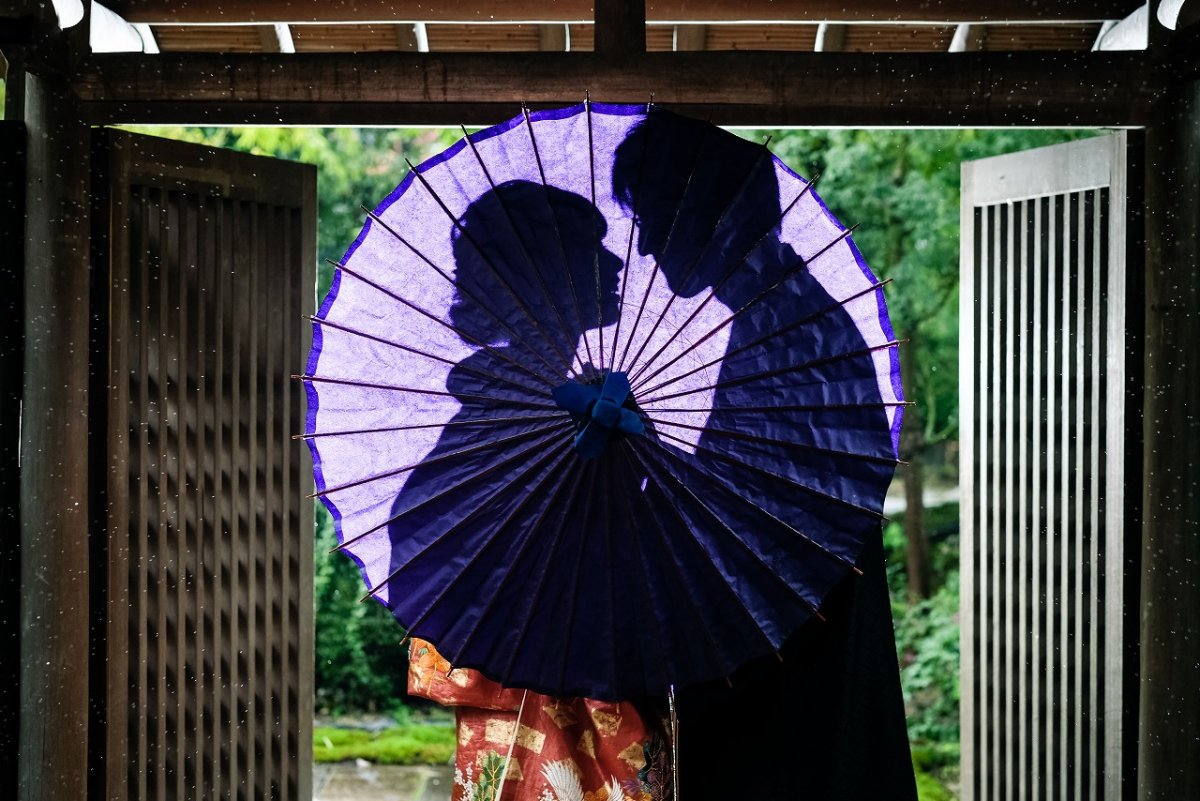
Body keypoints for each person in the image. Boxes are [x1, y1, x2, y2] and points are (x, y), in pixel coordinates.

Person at [612, 108, 917, 800]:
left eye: (654, 220)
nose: (650, 248)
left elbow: (756, 526)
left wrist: (642, 457)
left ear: (710, 216)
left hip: (790, 671)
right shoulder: (783, 318)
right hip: (793, 660)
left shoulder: (792, 336)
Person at [386, 180, 670, 801]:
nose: (617, 263)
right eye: (595, 250)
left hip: (598, 659)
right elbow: (420, 533)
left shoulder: (574, 397)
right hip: (533, 670)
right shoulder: (510, 409)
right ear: (549, 276)